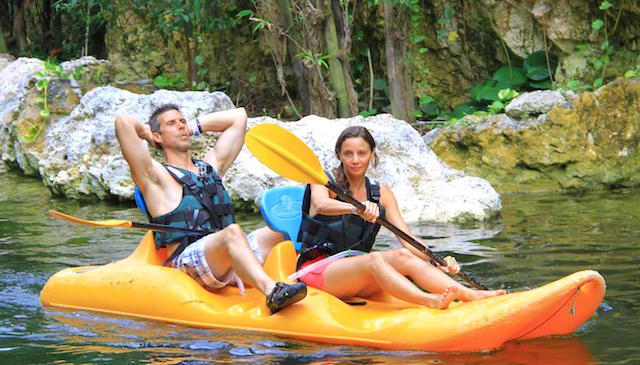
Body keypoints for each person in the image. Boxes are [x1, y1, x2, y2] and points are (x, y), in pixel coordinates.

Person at [114, 104, 306, 314]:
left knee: (280, 231)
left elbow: (238, 117)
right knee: (232, 233)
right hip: (188, 262)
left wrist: (195, 126)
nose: (180, 126)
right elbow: (123, 123)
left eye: (182, 121)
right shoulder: (155, 177)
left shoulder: (210, 167)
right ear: (158, 136)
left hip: (225, 256)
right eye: (171, 123)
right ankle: (272, 292)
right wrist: (147, 134)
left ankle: (309, 282)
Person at [294, 126, 505, 309]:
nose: (355, 160)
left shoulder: (380, 193)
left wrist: (436, 259)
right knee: (375, 259)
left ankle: (470, 294)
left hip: (355, 272)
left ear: (372, 153)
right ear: (339, 154)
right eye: (348, 153)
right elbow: (321, 205)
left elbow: (408, 240)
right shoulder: (323, 181)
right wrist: (355, 208)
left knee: (404, 256)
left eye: (362, 153)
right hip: (316, 271)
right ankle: (428, 300)